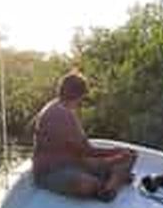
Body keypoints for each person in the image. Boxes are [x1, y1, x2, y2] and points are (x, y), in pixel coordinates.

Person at [32, 71, 136, 201]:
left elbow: (83, 150)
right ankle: (110, 186)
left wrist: (117, 155)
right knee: (86, 184)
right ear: (78, 95)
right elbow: (87, 150)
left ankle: (110, 183)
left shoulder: (65, 108)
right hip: (51, 172)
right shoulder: (59, 113)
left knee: (130, 155)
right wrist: (117, 151)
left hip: (77, 163)